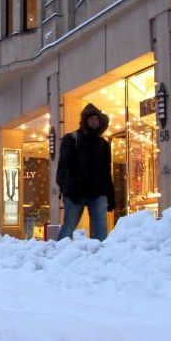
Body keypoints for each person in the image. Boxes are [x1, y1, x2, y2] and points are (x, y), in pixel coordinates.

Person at [56, 103, 116, 241]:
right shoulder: (71, 139)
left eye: (97, 119)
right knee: (69, 226)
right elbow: (64, 167)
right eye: (91, 118)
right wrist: (68, 188)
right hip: (76, 192)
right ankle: (58, 255)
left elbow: (107, 172)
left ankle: (99, 257)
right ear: (84, 120)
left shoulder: (103, 144)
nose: (94, 121)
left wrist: (110, 195)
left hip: (98, 192)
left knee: (101, 228)